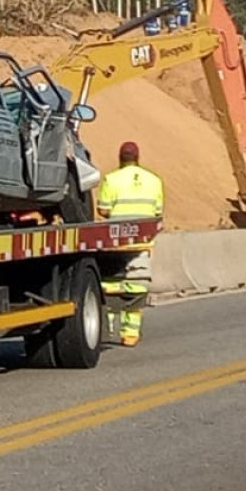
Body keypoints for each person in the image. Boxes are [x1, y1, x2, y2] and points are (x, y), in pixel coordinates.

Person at [95, 141, 164, 347]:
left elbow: (104, 210)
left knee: (109, 286)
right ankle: (130, 335)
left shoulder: (111, 179)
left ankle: (105, 330)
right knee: (137, 287)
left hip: (116, 243)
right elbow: (158, 212)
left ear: (120, 158)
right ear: (137, 157)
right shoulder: (154, 180)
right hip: (142, 244)